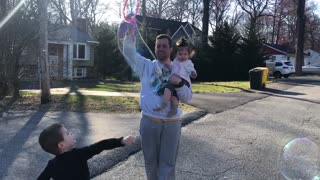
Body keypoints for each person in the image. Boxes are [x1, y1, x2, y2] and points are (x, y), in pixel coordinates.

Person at [122, 22, 193, 180]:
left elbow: (188, 96)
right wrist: (129, 34)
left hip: (172, 123)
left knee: (168, 163)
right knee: (150, 161)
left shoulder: (180, 68)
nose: (161, 48)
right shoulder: (146, 66)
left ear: (170, 49)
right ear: (155, 48)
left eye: (164, 46)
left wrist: (179, 83)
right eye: (158, 46)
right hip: (149, 121)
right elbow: (128, 52)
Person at [37, 123, 135, 180]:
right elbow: (101, 145)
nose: (71, 133)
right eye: (67, 133)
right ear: (61, 145)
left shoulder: (52, 165)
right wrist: (121, 141)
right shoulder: (79, 154)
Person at [153, 38, 197, 117]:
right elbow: (173, 69)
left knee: (167, 87)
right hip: (174, 82)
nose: (183, 56)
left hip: (184, 82)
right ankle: (174, 109)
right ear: (176, 55)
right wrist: (169, 66)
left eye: (185, 54)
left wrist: (193, 73)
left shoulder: (188, 63)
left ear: (188, 55)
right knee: (174, 96)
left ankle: (165, 103)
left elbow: (191, 71)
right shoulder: (176, 62)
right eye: (180, 54)